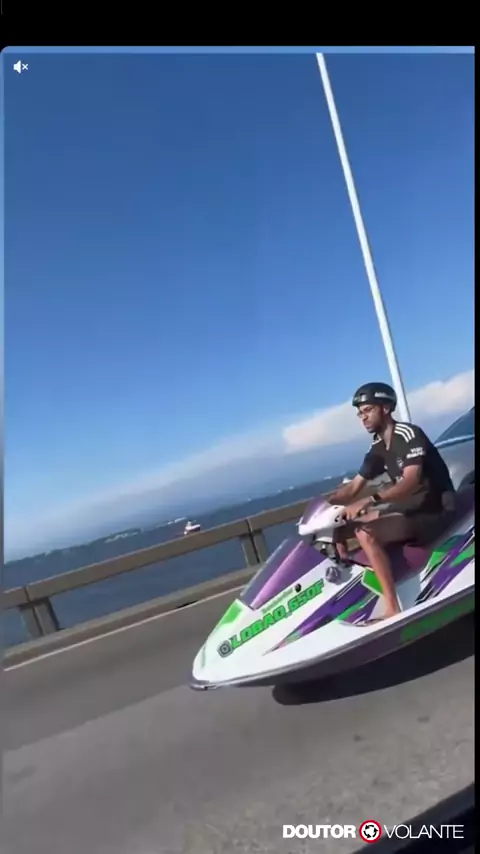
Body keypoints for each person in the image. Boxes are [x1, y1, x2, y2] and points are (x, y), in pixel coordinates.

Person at [325, 381, 456, 621]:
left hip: (434, 508)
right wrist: (324, 504)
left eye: (367, 410)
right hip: (407, 508)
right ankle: (353, 594)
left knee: (366, 533)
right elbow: (354, 487)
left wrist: (371, 500)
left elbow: (411, 481)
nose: (363, 418)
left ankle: (392, 607)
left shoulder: (409, 434)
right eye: (360, 413)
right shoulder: (377, 446)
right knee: (339, 531)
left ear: (385, 408)